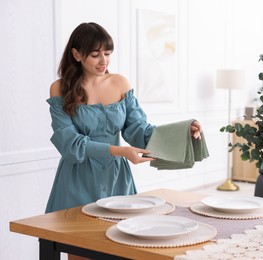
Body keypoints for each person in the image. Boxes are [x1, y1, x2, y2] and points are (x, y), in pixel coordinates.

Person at [46, 22, 202, 215]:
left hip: (116, 176)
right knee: (73, 238)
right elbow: (68, 143)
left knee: (120, 236)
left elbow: (139, 129)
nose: (104, 61)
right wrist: (118, 150)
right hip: (77, 178)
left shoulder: (120, 83)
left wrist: (182, 131)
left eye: (108, 53)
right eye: (95, 55)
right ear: (77, 54)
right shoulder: (60, 88)